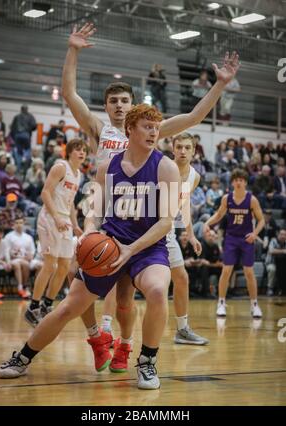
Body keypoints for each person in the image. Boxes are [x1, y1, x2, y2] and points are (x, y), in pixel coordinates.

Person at [61, 22, 240, 344]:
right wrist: (73, 50)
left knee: (158, 279)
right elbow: (69, 94)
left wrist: (219, 85)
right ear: (106, 106)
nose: (119, 105)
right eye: (113, 100)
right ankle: (97, 335)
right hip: (105, 212)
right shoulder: (99, 130)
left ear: (133, 106)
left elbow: (193, 118)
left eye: (124, 100)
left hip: (144, 215)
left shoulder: (148, 130)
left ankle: (142, 336)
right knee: (76, 275)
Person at [0, 104, 180, 391]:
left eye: (156, 127)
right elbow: (93, 211)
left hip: (146, 248)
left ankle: (146, 361)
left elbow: (167, 221)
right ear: (129, 129)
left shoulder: (166, 167)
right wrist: (92, 231)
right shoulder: (108, 167)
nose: (153, 132)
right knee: (67, 307)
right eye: (147, 126)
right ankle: (22, 357)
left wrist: (131, 249)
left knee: (157, 291)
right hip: (108, 245)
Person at [24, 138, 86, 327]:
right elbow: (45, 193)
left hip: (65, 220)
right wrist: (57, 218)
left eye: (84, 150)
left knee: (65, 266)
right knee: (50, 264)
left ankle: (46, 305)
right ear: (69, 151)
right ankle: (33, 307)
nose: (82, 152)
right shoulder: (60, 167)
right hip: (50, 218)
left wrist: (75, 224)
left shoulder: (79, 175)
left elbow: (71, 204)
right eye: (78, 149)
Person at [204, 169, 265, 318]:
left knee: (249, 272)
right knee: (226, 271)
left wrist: (255, 233)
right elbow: (219, 215)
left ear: (245, 182)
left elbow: (261, 220)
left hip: (246, 239)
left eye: (241, 180)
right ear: (232, 182)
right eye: (236, 180)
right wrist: (207, 223)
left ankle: (254, 305)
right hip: (231, 238)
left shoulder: (252, 200)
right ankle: (221, 302)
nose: (238, 182)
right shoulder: (227, 198)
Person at [166, 132, 209, 344]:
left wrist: (191, 235)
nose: (182, 151)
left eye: (187, 148)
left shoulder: (195, 176)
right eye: (179, 147)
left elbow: (184, 205)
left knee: (181, 278)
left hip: (166, 232)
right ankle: (107, 326)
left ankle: (182, 330)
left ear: (194, 151)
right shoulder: (162, 167)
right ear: (172, 149)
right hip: (143, 228)